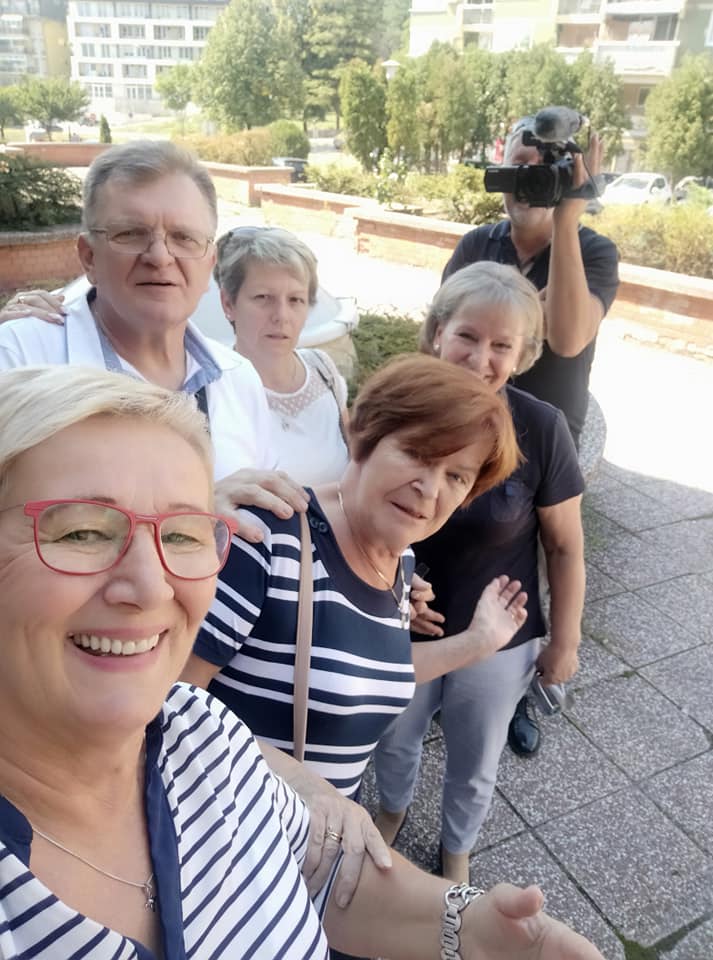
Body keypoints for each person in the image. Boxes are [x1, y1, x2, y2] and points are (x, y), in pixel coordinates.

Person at [0, 363, 605, 960]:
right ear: (361, 436)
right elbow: (166, 684)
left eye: (181, 533)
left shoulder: (202, 736)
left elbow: (313, 869)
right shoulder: (267, 540)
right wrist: (307, 781)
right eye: (81, 532)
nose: (150, 584)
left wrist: (471, 928)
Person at [182, 354, 529, 802]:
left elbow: (370, 674)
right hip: (239, 829)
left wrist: (478, 642)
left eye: (457, 476)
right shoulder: (266, 538)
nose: (430, 488)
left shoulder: (400, 562)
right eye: (416, 454)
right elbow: (168, 704)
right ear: (363, 436)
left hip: (321, 837)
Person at [373, 263, 585, 883]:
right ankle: (392, 808)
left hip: (500, 634)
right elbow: (360, 513)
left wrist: (565, 642)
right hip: (399, 622)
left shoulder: (541, 428)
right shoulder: (400, 407)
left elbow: (564, 547)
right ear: (438, 331)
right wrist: (392, 591)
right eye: (467, 335)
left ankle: (457, 849)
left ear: (522, 356)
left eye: (501, 345)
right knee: (393, 737)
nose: (480, 357)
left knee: (476, 757)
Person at [0, 139, 309, 541]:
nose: (160, 256)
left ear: (209, 264)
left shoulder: (239, 379)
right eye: (131, 233)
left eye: (183, 237)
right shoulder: (19, 360)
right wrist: (193, 517)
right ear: (89, 257)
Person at [442, 116, 619, 756]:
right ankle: (452, 661)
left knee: (539, 561)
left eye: (546, 172)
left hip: (545, 437)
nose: (529, 182)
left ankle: (518, 690)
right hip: (471, 424)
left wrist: (567, 219)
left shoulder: (592, 251)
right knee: (466, 547)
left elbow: (567, 337)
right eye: (520, 166)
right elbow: (446, 332)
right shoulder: (478, 243)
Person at [214, 225, 349, 485]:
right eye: (263, 297)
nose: (282, 316)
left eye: (295, 300)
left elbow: (356, 466)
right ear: (228, 303)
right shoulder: (215, 392)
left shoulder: (323, 370)